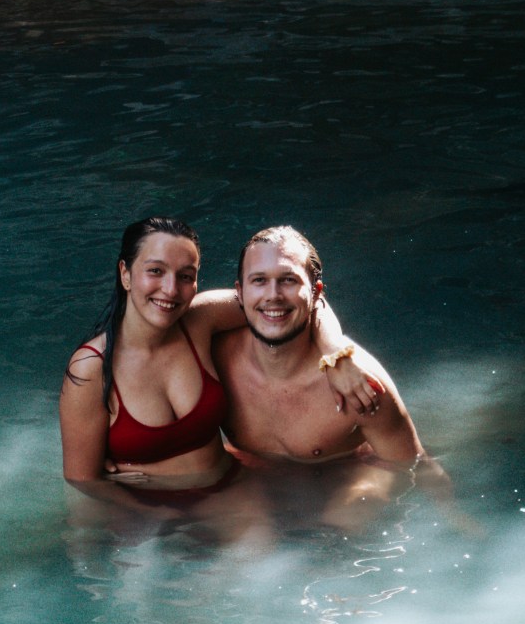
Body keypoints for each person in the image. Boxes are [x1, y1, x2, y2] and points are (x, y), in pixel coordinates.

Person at [58, 217, 379, 508]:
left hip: (228, 497)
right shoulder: (91, 369)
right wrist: (159, 517)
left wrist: (336, 354)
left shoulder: (202, 320)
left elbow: (300, 303)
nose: (170, 289)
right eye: (155, 271)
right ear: (125, 274)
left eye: (186, 276)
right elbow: (82, 479)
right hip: (143, 511)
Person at [211, 225, 453, 527]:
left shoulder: (358, 383)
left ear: (316, 293)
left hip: (353, 473)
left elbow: (413, 464)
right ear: (239, 291)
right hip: (263, 480)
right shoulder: (212, 360)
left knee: (346, 519)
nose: (273, 295)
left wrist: (453, 518)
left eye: (288, 280)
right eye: (259, 280)